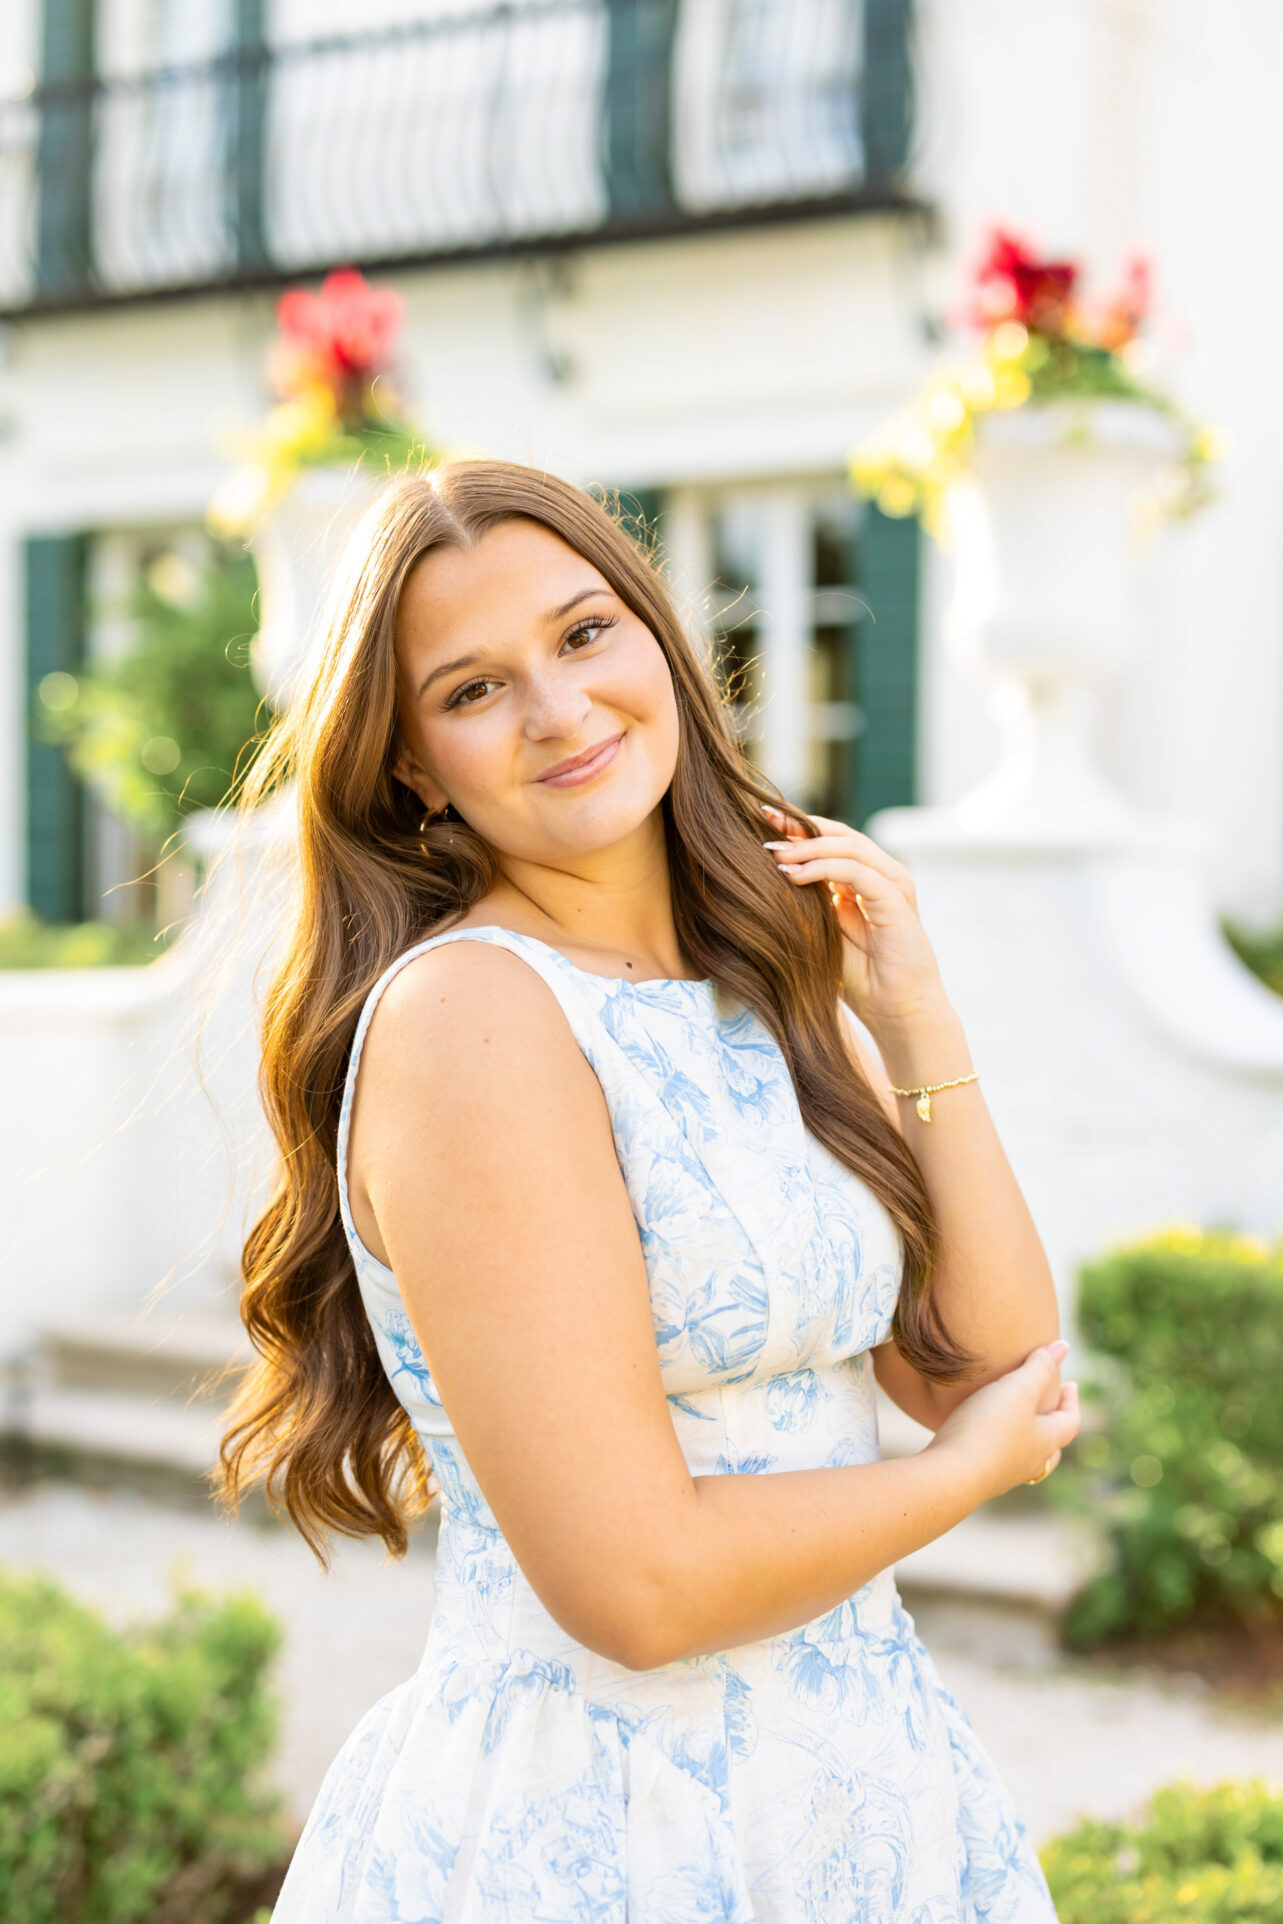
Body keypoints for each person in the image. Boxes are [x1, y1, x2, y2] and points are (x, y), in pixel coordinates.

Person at [220, 459, 1079, 1923]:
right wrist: (957, 1482)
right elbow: (636, 1588)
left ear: (660, 644)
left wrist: (917, 1017)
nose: (560, 711)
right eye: (474, 689)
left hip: (869, 1786)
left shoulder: (756, 977)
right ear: (415, 762)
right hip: (612, 1822)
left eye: (583, 634)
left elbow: (993, 1369)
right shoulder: (472, 1023)